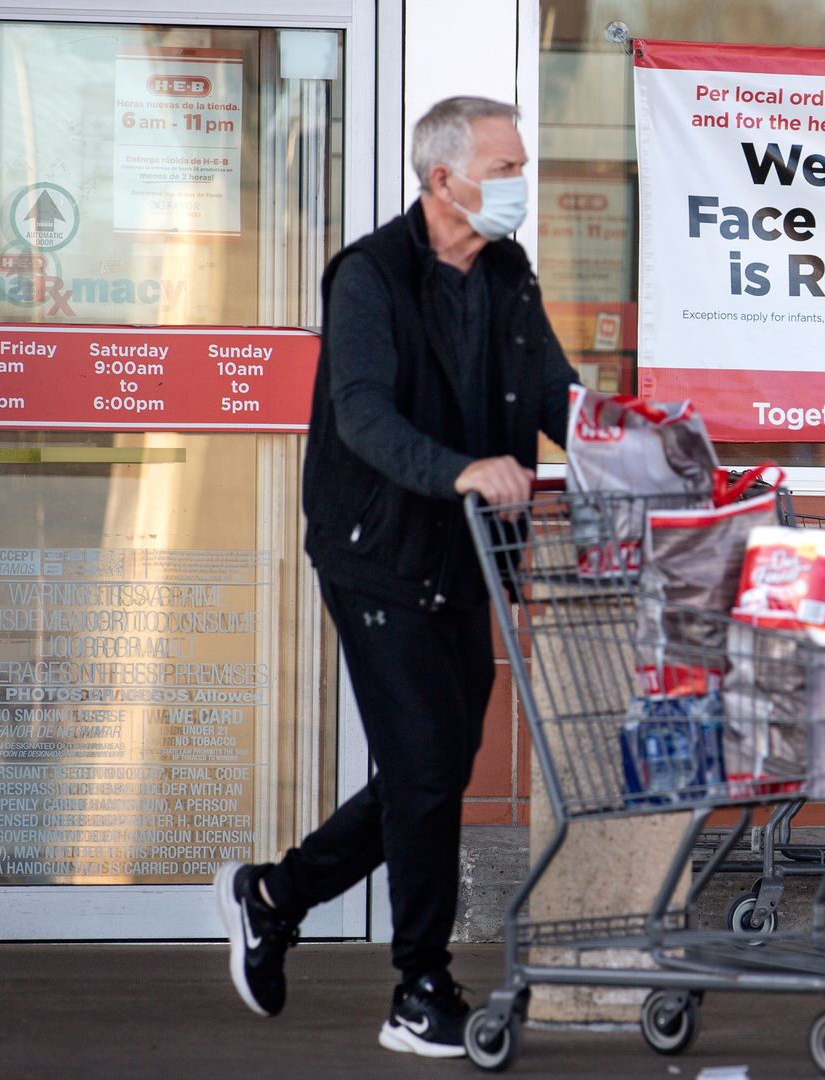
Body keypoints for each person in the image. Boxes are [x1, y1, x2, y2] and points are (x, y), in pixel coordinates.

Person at [213, 95, 575, 1058]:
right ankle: (420, 989)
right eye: (504, 168)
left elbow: (551, 393)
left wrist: (635, 441)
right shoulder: (369, 274)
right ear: (442, 178)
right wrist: (461, 468)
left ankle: (275, 893)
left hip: (469, 556)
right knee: (424, 768)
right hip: (377, 552)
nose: (518, 184)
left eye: (521, 165)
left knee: (436, 767)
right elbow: (362, 414)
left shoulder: (507, 271)